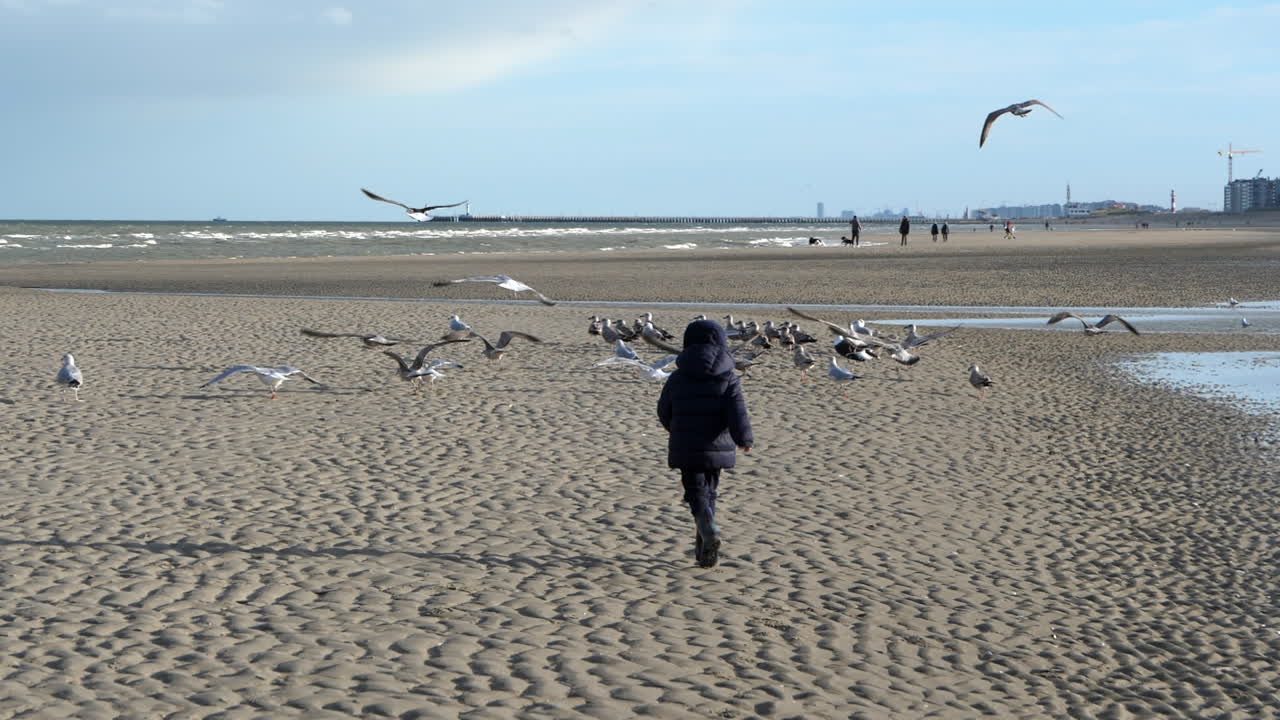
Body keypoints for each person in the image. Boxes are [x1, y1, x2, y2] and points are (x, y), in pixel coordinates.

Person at [657, 320, 754, 569]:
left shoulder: (679, 376)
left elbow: (663, 409)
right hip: (717, 444)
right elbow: (738, 411)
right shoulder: (729, 377)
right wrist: (744, 439)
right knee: (709, 490)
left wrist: (674, 427)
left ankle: (707, 532)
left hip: (686, 443)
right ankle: (703, 548)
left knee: (695, 491)